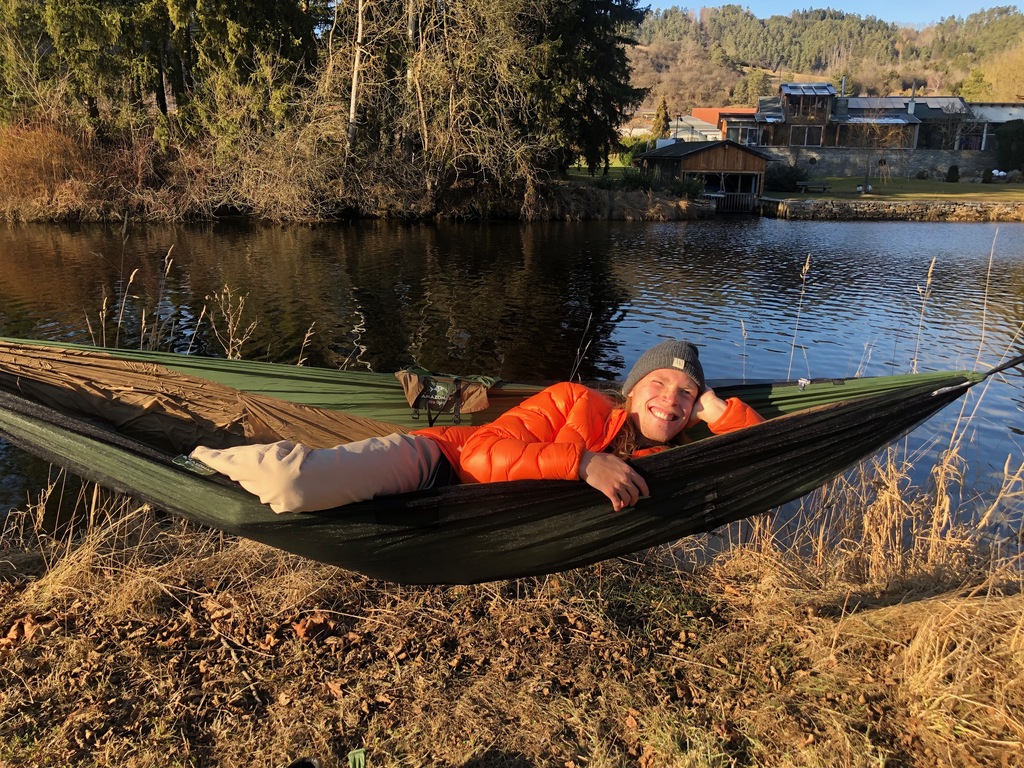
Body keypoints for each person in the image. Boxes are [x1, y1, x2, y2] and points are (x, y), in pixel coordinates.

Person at [190, 340, 764, 513]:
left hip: (468, 517)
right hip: (437, 460)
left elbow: (770, 458)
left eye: (686, 395)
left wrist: (719, 411)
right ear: (630, 391)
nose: (670, 401)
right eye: (657, 386)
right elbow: (485, 451)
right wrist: (582, 463)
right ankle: (196, 459)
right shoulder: (575, 401)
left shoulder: (668, 462)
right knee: (293, 486)